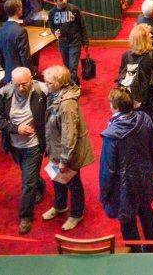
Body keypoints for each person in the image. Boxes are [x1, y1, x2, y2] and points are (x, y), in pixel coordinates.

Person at [99, 87, 153, 252]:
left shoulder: (112, 135)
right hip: (145, 175)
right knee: (146, 211)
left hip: (124, 185)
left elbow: (107, 169)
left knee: (127, 221)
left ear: (114, 106)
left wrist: (104, 195)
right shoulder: (145, 119)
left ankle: (135, 255)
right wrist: (152, 171)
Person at [0, 67, 48, 234]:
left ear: (32, 80)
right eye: (18, 85)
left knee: (27, 181)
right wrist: (16, 128)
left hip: (33, 145)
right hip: (14, 145)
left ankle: (25, 216)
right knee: (28, 174)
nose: (21, 88)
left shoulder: (40, 90)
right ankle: (40, 185)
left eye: (25, 84)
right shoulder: (4, 93)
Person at [42, 65, 94, 231]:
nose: (46, 85)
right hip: (55, 147)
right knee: (56, 179)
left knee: (73, 183)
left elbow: (69, 134)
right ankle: (60, 206)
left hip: (67, 152)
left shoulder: (67, 104)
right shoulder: (54, 95)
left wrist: (64, 159)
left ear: (59, 83)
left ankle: (76, 214)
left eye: (49, 83)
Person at [118, 24, 153, 133]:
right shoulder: (152, 55)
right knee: (150, 126)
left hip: (130, 97)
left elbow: (121, 75)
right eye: (149, 34)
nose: (151, 35)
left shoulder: (125, 55)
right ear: (144, 39)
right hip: (148, 98)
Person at [47, 0, 88, 85]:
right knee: (67, 67)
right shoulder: (52, 13)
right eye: (61, 0)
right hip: (62, 43)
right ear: (55, 1)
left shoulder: (74, 9)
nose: (64, 1)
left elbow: (82, 26)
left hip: (75, 41)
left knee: (73, 67)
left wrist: (85, 42)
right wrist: (55, 33)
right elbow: (52, 27)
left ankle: (72, 88)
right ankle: (75, 82)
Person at [0, 0, 31, 83]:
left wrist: (7, 67)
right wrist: (30, 72)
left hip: (8, 75)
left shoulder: (0, 30)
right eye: (21, 7)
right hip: (21, 77)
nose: (22, 9)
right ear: (18, 10)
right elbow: (25, 56)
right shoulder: (21, 31)